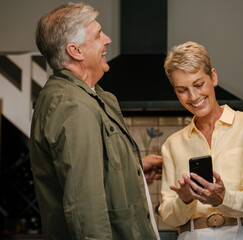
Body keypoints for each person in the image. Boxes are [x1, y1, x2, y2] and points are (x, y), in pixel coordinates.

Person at [29, 2, 162, 240]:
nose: (108, 40)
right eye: (99, 35)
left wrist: (135, 169)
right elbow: (84, 204)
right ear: (76, 51)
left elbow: (88, 169)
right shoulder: (72, 106)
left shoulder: (89, 96)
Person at [158, 41, 243, 240]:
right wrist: (184, 201)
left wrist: (223, 198)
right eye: (182, 90)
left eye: (198, 84)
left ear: (213, 77)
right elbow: (168, 215)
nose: (193, 96)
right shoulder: (172, 144)